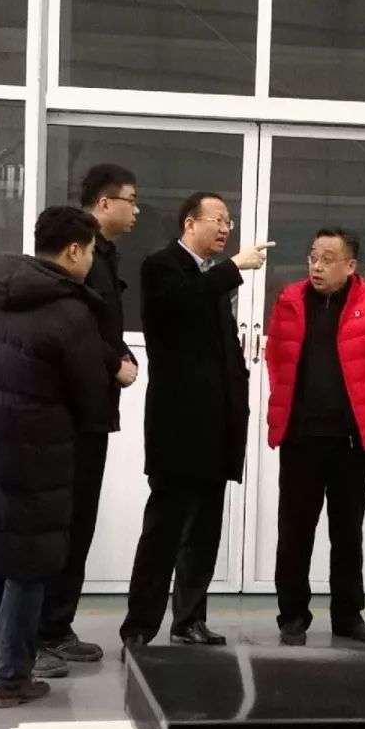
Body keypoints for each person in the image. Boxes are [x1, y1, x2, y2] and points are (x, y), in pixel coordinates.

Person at [0, 206, 112, 707]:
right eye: (91, 251)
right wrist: (116, 376)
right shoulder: (70, 311)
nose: (91, 261)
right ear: (74, 250)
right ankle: (11, 679)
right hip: (37, 456)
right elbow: (90, 397)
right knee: (29, 566)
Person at [119, 191, 273, 651]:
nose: (226, 229)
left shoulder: (213, 278)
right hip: (178, 425)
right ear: (190, 223)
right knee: (164, 530)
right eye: (218, 220)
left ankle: (189, 620)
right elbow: (178, 307)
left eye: (229, 222)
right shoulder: (161, 266)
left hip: (218, 424)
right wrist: (233, 268)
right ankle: (140, 626)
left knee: (204, 532)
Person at [266, 228, 365, 646]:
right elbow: (276, 356)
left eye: (328, 259)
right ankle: (293, 615)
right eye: (313, 256)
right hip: (300, 437)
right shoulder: (290, 299)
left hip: (350, 438)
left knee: (347, 531)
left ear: (350, 266)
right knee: (295, 531)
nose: (317, 265)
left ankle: (348, 616)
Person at [35, 165, 139, 676]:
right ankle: (44, 631)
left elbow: (100, 327)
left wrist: (120, 354)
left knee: (79, 524)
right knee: (64, 525)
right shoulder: (76, 266)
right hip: (72, 415)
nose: (136, 210)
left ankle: (57, 625)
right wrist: (113, 362)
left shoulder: (104, 256)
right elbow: (75, 329)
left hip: (93, 410)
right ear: (103, 203)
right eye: (130, 200)